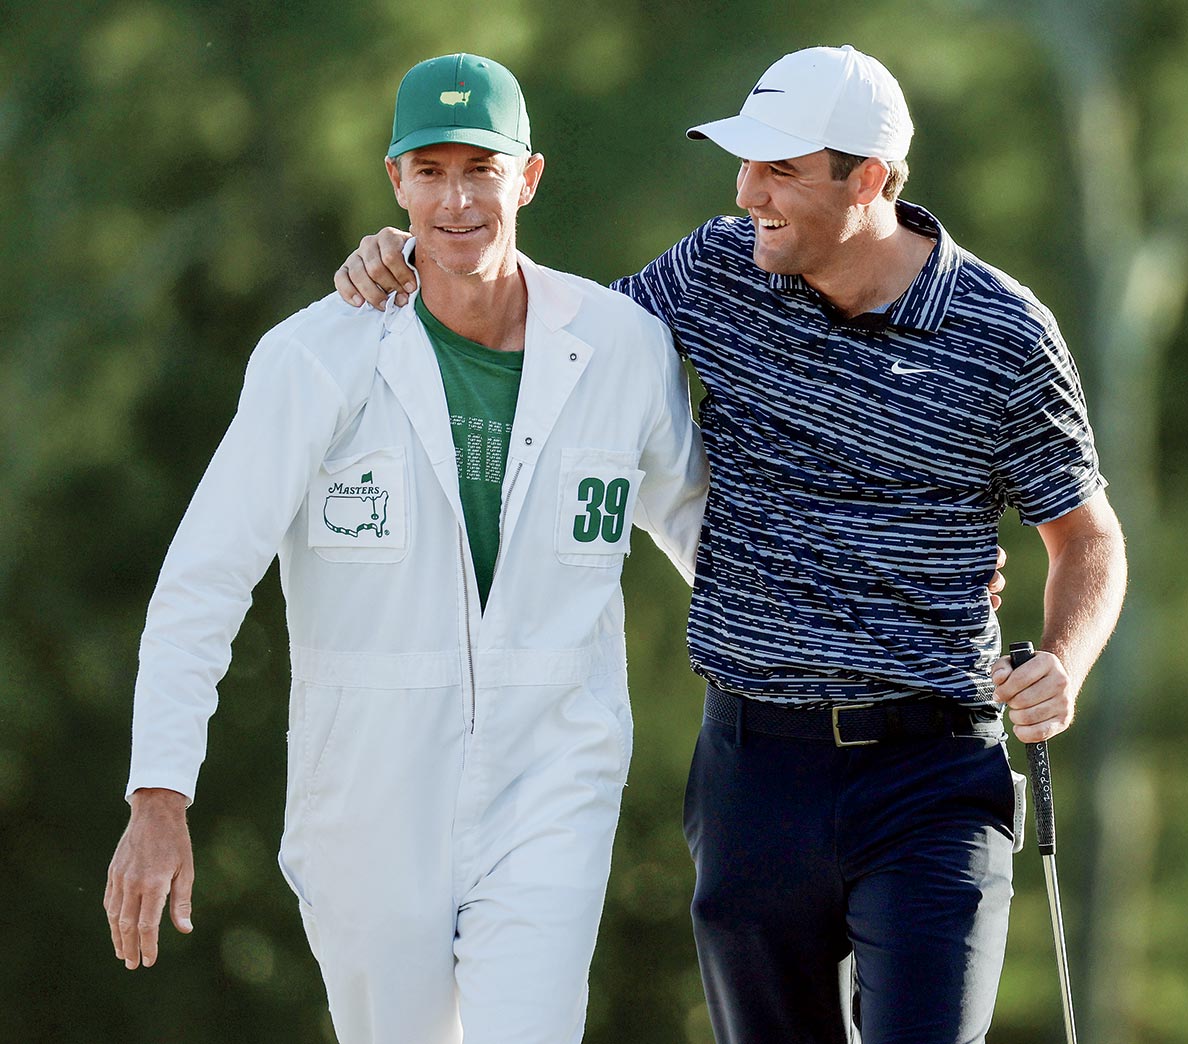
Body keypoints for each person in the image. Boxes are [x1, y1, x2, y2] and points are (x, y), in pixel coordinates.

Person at [333, 44, 1127, 1044]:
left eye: (783, 171)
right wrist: (419, 256)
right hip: (756, 775)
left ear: (870, 180)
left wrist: (1063, 660)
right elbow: (546, 336)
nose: (751, 193)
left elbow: (1086, 538)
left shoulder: (1002, 333)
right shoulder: (718, 270)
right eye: (747, 164)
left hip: (930, 780)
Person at [104, 53, 709, 1044]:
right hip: (368, 802)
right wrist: (160, 795)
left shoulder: (622, 347)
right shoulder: (315, 359)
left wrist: (892, 594)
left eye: (483, 167)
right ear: (396, 181)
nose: (458, 197)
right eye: (431, 171)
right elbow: (206, 578)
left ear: (530, 177)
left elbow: (707, 537)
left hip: (553, 776)